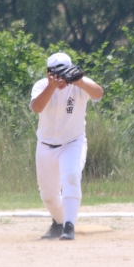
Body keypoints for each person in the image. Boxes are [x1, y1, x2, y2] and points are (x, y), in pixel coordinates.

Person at [30, 52, 104, 240]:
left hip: (72, 143)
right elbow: (37, 108)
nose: (61, 78)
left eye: (64, 73)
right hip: (45, 146)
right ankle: (59, 222)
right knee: (48, 196)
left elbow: (98, 94)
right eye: (55, 73)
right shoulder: (41, 85)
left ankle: (69, 226)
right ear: (48, 73)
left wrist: (79, 82)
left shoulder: (79, 84)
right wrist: (51, 86)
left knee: (71, 177)